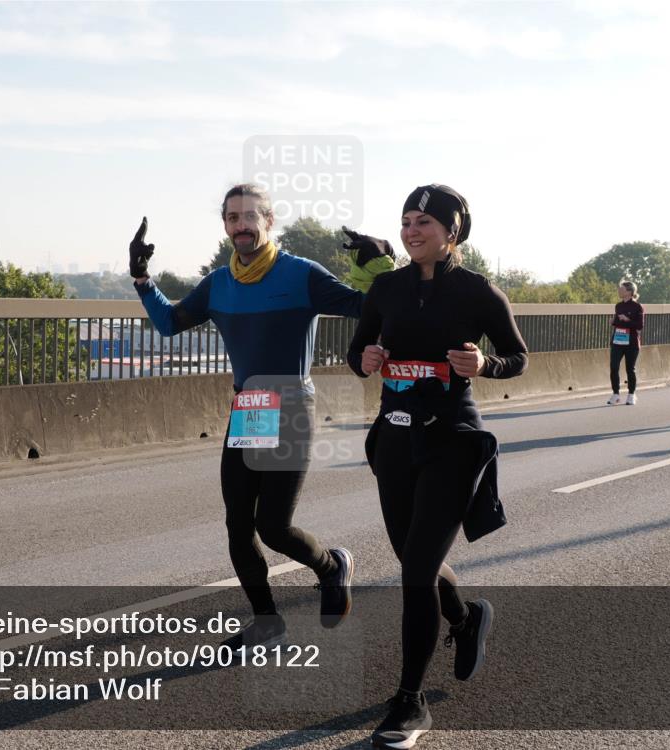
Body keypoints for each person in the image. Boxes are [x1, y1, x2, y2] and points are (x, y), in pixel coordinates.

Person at [129, 183, 394, 652]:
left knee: (273, 525)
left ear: (268, 222)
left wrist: (378, 268)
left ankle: (332, 565)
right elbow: (170, 323)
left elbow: (366, 306)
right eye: (232, 218)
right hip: (250, 409)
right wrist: (142, 279)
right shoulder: (219, 282)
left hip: (291, 406)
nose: (241, 226)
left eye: (250, 217)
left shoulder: (301, 274)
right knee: (238, 525)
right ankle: (267, 622)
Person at [347, 184, 528, 750]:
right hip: (395, 437)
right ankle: (466, 617)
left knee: (417, 569)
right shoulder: (385, 287)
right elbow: (357, 352)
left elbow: (518, 358)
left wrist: (485, 363)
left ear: (452, 232)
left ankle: (409, 701)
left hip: (452, 438)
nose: (411, 230)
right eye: (405, 221)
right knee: (412, 558)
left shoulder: (478, 293)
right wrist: (365, 359)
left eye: (424, 221)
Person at [608, 281, 645, 405]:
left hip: (631, 343)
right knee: (614, 367)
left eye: (621, 289)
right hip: (618, 341)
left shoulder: (637, 307)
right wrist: (613, 321)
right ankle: (616, 394)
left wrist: (627, 320)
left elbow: (640, 326)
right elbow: (617, 322)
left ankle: (631, 394)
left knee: (630, 369)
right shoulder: (618, 306)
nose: (619, 291)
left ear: (629, 292)